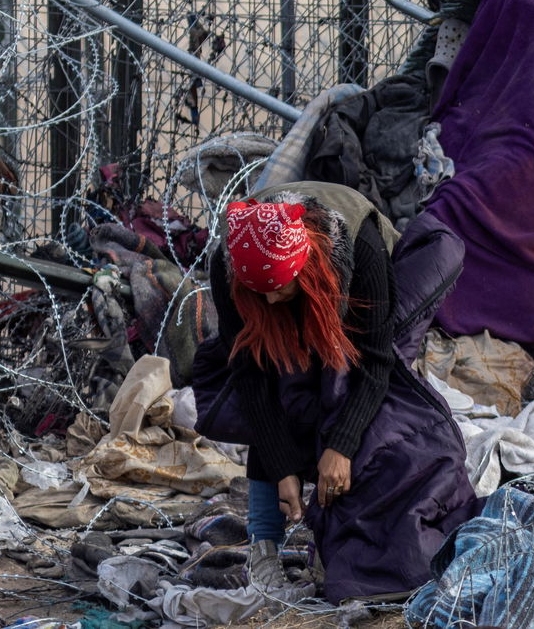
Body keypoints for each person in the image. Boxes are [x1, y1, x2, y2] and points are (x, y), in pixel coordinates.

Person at [196, 181, 477, 603]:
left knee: (362, 407)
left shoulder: (361, 252)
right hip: (295, 283)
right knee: (287, 389)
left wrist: (341, 447)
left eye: (278, 287)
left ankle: (366, 533)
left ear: (303, 266)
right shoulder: (233, 266)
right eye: (260, 290)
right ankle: (264, 546)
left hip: (357, 299)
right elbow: (252, 378)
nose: (271, 301)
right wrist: (281, 467)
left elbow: (377, 360)